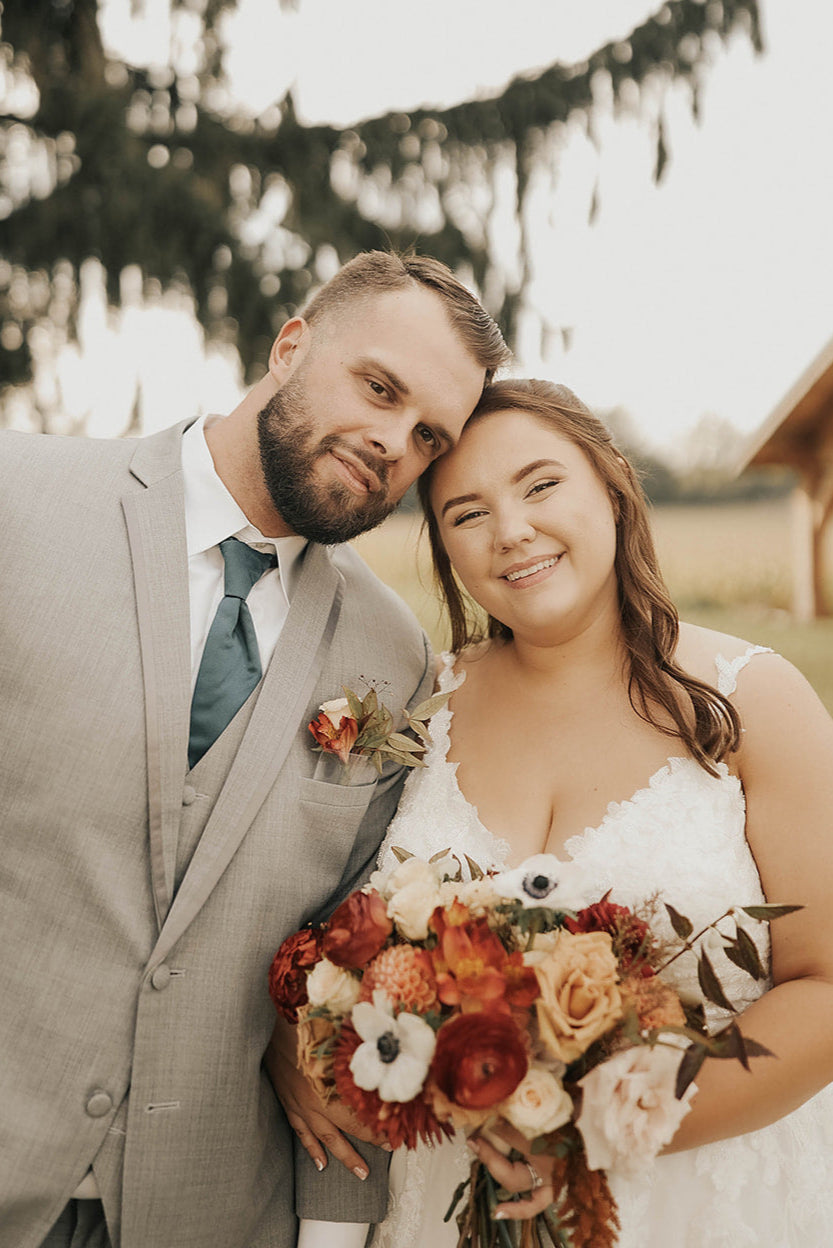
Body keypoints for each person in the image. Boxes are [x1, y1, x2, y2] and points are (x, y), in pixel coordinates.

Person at [0, 250, 510, 1248]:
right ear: (289, 347)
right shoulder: (17, 500)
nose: (389, 444)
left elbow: (352, 968)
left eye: (425, 436)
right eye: (376, 387)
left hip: (207, 1211)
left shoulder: (391, 659)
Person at [294, 378, 833, 1247]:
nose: (511, 531)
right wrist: (306, 1046)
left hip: (694, 1201)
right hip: (443, 1201)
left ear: (612, 486)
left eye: (541, 486)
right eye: (467, 514)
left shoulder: (751, 702)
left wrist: (594, 1134)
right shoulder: (422, 706)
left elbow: (826, 989)